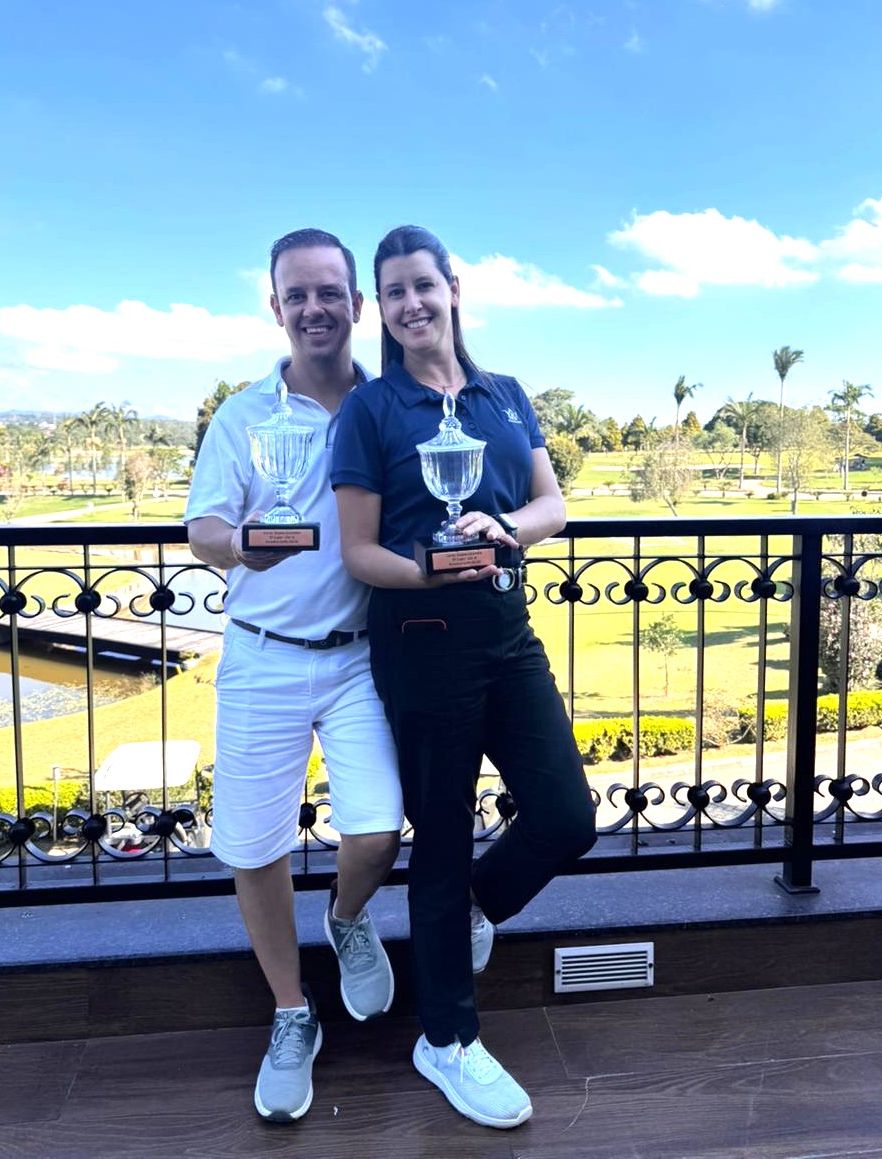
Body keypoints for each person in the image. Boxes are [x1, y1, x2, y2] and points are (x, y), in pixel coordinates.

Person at [331, 224, 597, 1130]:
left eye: (423, 284)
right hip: (422, 642)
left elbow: (553, 503)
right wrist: (433, 569)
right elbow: (360, 551)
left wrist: (506, 531)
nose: (411, 304)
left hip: (508, 636)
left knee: (566, 815)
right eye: (394, 291)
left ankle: (472, 907)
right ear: (381, 308)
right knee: (439, 840)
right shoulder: (372, 409)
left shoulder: (503, 394)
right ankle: (444, 1038)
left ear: (454, 287)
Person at [185, 228, 403, 1123]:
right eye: (297, 294)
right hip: (263, 653)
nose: (315, 308)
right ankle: (290, 1011)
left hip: (358, 659)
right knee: (254, 846)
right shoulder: (242, 416)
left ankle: (346, 917)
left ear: (357, 303)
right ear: (276, 307)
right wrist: (243, 546)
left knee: (377, 828)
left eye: (329, 291)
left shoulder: (387, 406)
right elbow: (203, 528)